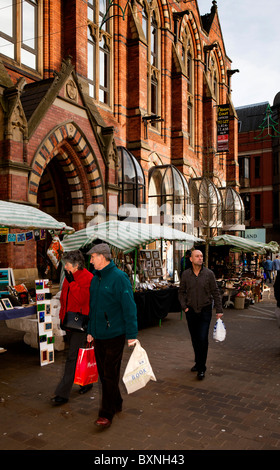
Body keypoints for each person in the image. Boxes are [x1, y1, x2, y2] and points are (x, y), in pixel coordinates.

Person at [87, 243, 138, 429]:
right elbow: (93, 307)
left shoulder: (119, 278)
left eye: (93, 257)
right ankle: (116, 402)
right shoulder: (96, 278)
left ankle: (106, 413)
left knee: (109, 373)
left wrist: (132, 334)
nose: (90, 260)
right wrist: (91, 330)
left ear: (102, 256)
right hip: (98, 334)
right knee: (105, 373)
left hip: (115, 334)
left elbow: (129, 306)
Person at [51, 250, 93, 405]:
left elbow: (83, 299)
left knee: (71, 357)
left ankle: (62, 393)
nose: (65, 267)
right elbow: (64, 299)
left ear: (76, 265)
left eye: (67, 264)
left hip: (81, 324)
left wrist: (73, 283)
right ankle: (87, 382)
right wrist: (61, 318)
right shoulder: (68, 277)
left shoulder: (88, 278)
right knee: (78, 355)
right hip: (68, 323)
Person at [178, 249, 223, 380]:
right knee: (195, 338)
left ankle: (202, 368)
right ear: (191, 259)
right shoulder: (186, 274)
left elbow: (215, 291)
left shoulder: (209, 274)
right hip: (191, 311)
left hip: (205, 310)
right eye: (197, 256)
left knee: (202, 338)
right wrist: (184, 307)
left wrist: (219, 309)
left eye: (201, 256)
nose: (200, 258)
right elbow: (181, 292)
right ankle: (198, 363)